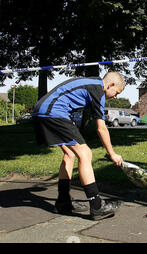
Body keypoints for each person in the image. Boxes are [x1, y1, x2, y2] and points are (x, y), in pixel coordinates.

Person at [32, 72, 125, 220]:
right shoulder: (98, 90)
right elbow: (101, 128)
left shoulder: (91, 83)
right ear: (111, 84)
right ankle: (97, 206)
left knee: (70, 154)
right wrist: (112, 153)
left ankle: (63, 202)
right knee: (85, 153)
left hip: (42, 110)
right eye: (116, 93)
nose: (115, 97)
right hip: (54, 112)